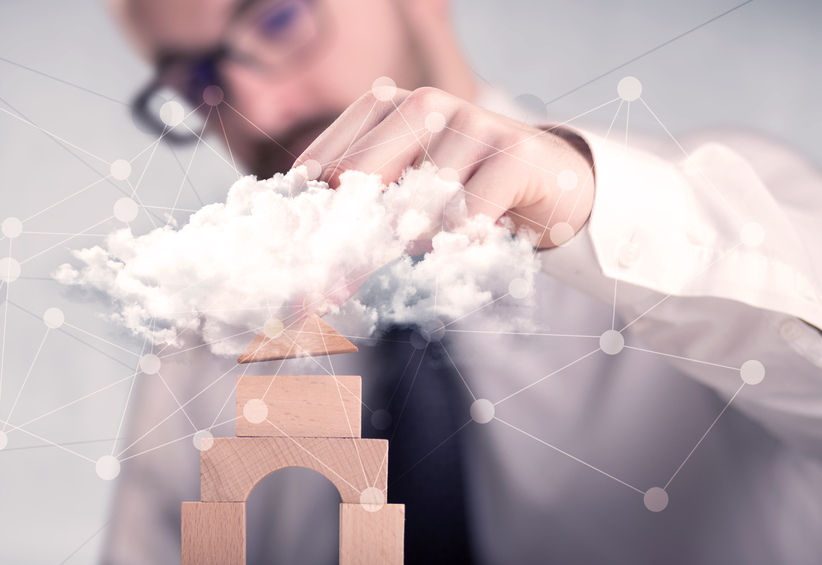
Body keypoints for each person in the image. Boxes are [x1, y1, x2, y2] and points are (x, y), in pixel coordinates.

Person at [102, 0, 822, 563]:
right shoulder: (205, 346)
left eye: (279, 16)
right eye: (198, 82)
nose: (254, 109)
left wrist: (585, 203)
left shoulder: (718, 215)